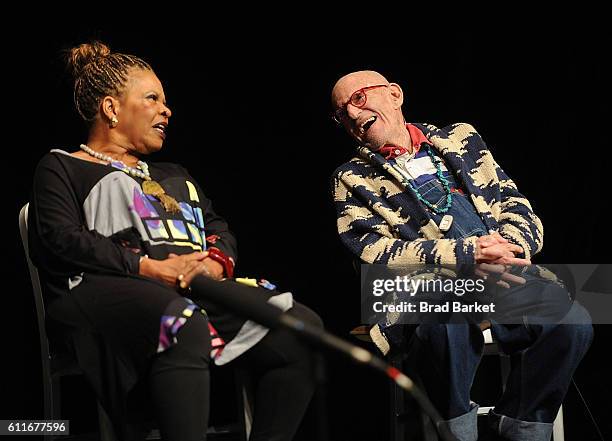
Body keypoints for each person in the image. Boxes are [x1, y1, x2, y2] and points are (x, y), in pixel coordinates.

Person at [28, 41, 322, 441]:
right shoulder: (62, 165)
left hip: (193, 291)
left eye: (165, 101)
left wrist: (215, 263)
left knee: (299, 326)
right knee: (180, 322)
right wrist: (148, 268)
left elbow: (218, 226)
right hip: (107, 291)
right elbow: (60, 238)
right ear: (112, 109)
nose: (167, 110)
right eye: (152, 98)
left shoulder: (173, 172)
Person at [330, 70, 593, 441]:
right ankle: (456, 432)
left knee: (573, 321)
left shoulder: (461, 138)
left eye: (358, 99)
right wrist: (468, 255)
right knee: (444, 329)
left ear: (394, 94)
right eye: (341, 112)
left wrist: (508, 250)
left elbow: (515, 204)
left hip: (504, 277)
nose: (352, 115)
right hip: (431, 290)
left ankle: (520, 425)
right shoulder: (351, 178)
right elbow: (374, 252)